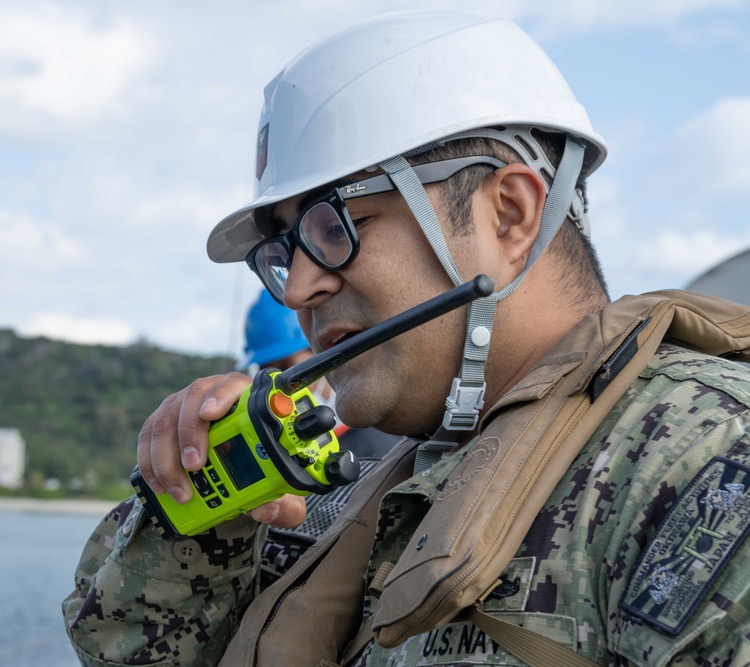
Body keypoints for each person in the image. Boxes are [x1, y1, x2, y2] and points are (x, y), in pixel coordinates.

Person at [63, 11, 750, 666]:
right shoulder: (356, 498)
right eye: (282, 254)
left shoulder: (707, 456)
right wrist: (202, 515)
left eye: (332, 228)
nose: (297, 290)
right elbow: (132, 647)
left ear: (508, 215)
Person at [239, 288, 399, 583]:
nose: (281, 382)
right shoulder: (264, 452)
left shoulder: (388, 450)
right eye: (267, 370)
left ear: (327, 352)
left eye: (291, 367)